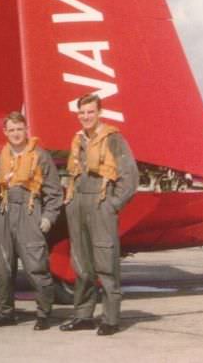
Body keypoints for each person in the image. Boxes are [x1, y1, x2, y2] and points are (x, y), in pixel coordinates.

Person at [59, 94, 138, 336]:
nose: (85, 117)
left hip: (101, 202)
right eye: (82, 112)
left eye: (90, 112)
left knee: (106, 262)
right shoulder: (79, 139)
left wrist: (112, 204)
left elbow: (130, 177)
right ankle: (83, 315)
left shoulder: (113, 139)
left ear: (99, 112)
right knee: (81, 264)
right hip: (78, 204)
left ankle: (111, 319)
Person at [0, 112, 62, 331]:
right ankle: (6, 312)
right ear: (5, 132)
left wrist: (49, 218)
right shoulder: (1, 157)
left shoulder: (41, 156)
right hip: (4, 212)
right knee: (3, 269)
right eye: (11, 130)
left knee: (35, 267)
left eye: (19, 129)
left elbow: (54, 192)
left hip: (30, 212)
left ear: (26, 129)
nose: (15, 134)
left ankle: (43, 313)